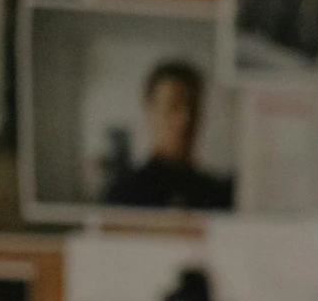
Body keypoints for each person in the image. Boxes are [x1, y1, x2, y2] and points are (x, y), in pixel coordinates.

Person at [100, 60, 234, 210]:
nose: (185, 118)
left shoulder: (218, 194)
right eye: (173, 106)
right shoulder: (124, 194)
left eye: (192, 105)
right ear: (150, 110)